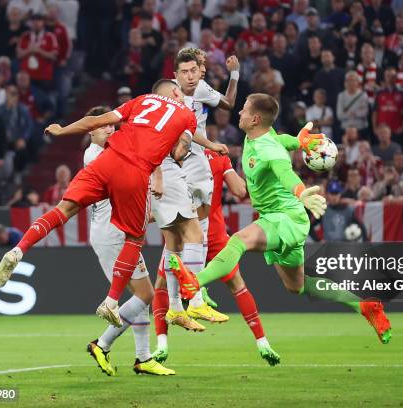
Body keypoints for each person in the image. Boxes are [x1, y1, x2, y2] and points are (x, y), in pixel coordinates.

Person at [170, 94, 392, 345]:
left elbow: (285, 172)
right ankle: (366, 305)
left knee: (239, 241)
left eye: (243, 110)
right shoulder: (262, 135)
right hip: (282, 217)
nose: (239, 113)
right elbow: (280, 140)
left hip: (284, 218)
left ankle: (194, 283)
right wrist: (298, 142)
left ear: (254, 119)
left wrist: (300, 192)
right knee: (297, 286)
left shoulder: (269, 150)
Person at [0, 79, 198, 329]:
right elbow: (180, 151)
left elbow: (96, 121)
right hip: (133, 172)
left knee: (62, 210)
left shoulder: (143, 100)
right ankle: (111, 300)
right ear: (177, 92)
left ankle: (19, 249)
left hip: (108, 160)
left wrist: (62, 129)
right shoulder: (188, 115)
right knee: (134, 238)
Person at [152, 146, 281, 366]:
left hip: (182, 234)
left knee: (162, 286)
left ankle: (161, 345)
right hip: (215, 236)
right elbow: (240, 191)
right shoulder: (217, 156)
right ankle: (263, 343)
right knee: (238, 286)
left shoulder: (171, 154)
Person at [149, 49, 238, 356]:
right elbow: (177, 136)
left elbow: (225, 106)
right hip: (171, 165)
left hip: (187, 159)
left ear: (200, 71)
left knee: (181, 236)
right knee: (189, 234)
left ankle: (177, 305)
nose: (188, 78)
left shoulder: (199, 89)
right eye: (183, 72)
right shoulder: (168, 95)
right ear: (176, 74)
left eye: (193, 71)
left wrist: (234, 75)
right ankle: (192, 300)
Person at [80, 106, 173, 376]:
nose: (110, 129)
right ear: (91, 130)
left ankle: (142, 358)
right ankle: (102, 343)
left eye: (112, 125)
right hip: (111, 235)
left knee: (142, 297)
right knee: (145, 295)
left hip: (124, 233)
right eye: (103, 126)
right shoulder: (94, 156)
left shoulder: (114, 151)